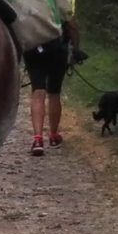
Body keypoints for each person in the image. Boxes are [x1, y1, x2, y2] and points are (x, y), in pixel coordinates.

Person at [23, 21, 82, 156]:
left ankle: (38, 140)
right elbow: (71, 23)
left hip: (33, 46)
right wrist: (76, 49)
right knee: (54, 93)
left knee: (38, 91)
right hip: (57, 46)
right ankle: (54, 136)